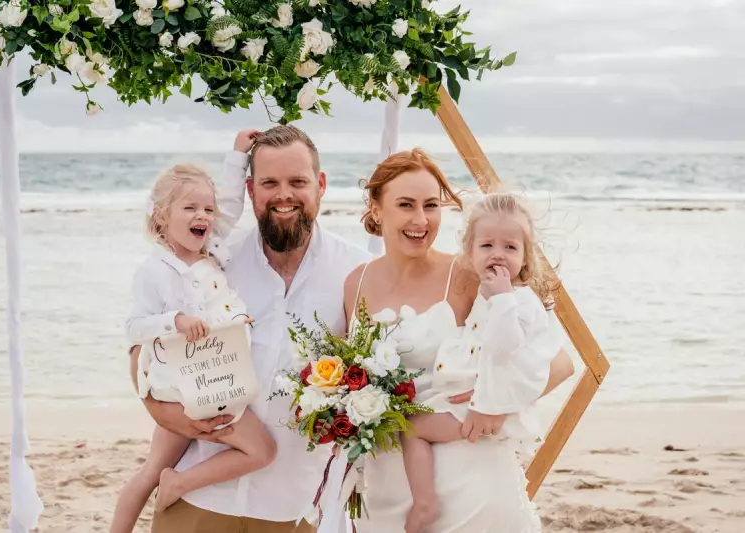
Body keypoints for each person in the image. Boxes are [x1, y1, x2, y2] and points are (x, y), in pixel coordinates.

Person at [129, 125, 373, 533]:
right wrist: (164, 413)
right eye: (269, 182)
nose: (284, 194)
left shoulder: (356, 272)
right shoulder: (212, 260)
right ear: (250, 189)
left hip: (293, 508)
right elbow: (143, 347)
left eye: (298, 181)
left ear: (322, 185)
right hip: (195, 497)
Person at [343, 149, 573, 533]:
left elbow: (558, 363)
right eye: (406, 205)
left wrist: (496, 406)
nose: (421, 219)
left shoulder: (471, 273)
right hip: (387, 487)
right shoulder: (356, 282)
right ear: (377, 208)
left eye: (431, 205)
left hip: (471, 478)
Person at [111, 131, 278, 533]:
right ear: (161, 216)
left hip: (215, 380)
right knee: (258, 450)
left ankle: (177, 481)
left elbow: (234, 207)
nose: (203, 216)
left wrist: (239, 154)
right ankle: (167, 492)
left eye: (207, 208)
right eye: (190, 208)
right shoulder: (155, 270)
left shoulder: (212, 250)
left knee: (161, 465)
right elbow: (134, 327)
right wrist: (175, 322)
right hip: (184, 391)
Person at [399, 192, 560, 533]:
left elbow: (504, 347)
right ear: (470, 253)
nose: (498, 254)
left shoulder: (520, 301)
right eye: (487, 246)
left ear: (526, 258)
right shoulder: (489, 295)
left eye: (510, 248)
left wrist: (502, 298)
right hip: (469, 398)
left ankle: (424, 504)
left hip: (481, 407)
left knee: (412, 428)